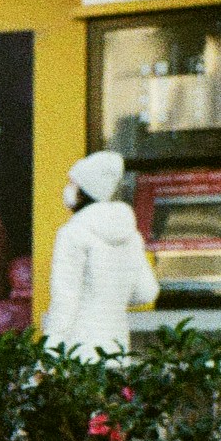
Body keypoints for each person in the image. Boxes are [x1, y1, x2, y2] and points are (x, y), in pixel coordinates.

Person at [44, 149, 159, 358]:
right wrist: (112, 298)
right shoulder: (131, 236)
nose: (68, 188)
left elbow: (65, 300)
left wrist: (49, 353)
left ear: (83, 190)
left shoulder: (72, 233)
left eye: (73, 183)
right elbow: (147, 292)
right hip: (116, 348)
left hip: (78, 351)